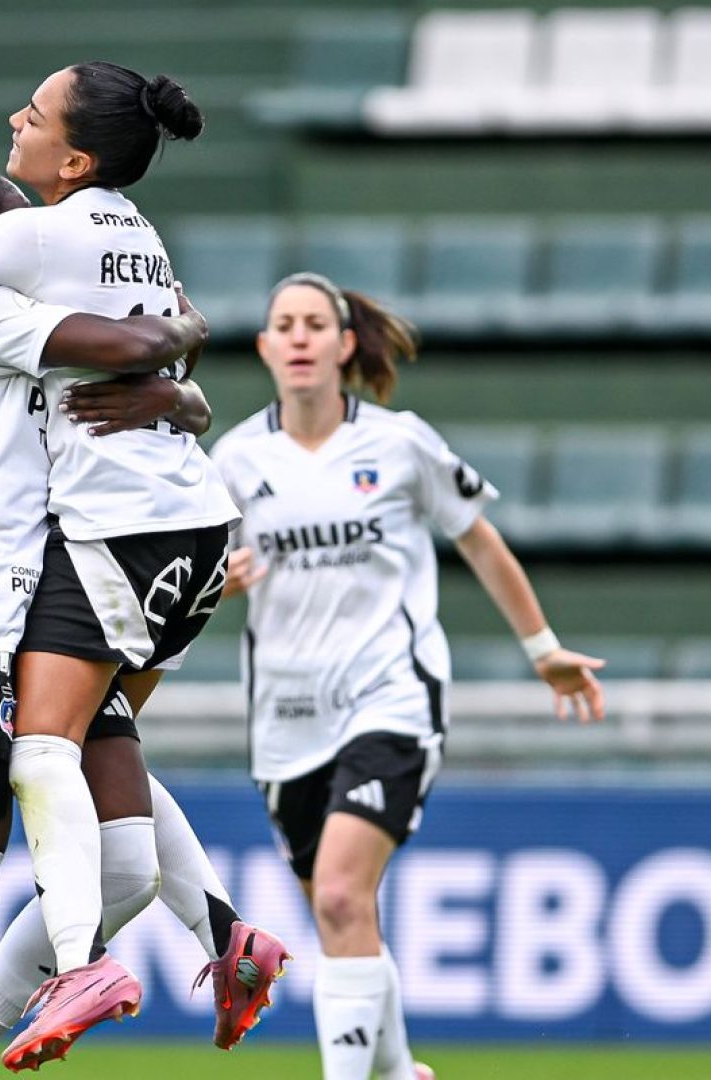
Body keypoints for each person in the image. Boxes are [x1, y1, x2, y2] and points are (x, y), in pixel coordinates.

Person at [0, 62, 281, 1071]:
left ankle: (212, 936)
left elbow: (140, 360)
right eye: (9, 205)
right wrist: (178, 371)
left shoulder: (18, 293)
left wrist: (178, 397)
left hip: (40, 595)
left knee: (124, 857)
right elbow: (132, 336)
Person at [210, 272, 608, 1080]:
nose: (297, 337)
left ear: (344, 342)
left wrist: (544, 650)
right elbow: (193, 576)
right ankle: (398, 1071)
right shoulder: (235, 459)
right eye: (281, 324)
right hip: (286, 718)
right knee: (345, 913)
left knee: (340, 899)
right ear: (262, 348)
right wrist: (220, 580)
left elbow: (479, 540)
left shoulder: (399, 442)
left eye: (313, 323)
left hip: (389, 694)